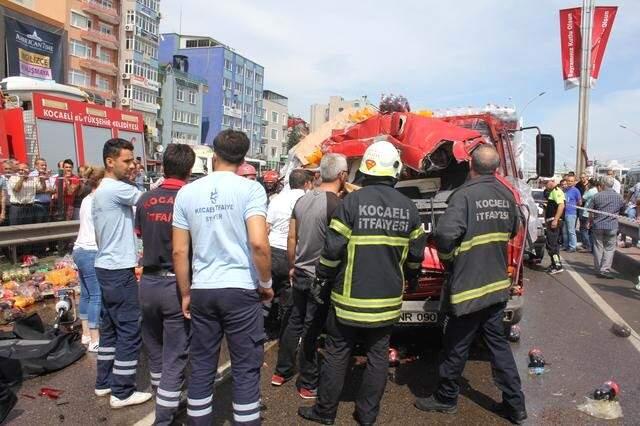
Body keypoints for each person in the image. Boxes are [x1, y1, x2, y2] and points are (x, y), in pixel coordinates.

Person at [298, 141, 426, 426]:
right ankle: (367, 415)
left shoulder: (350, 203)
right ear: (395, 170)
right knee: (378, 356)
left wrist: (323, 279)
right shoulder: (409, 208)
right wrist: (412, 276)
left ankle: (325, 412)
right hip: (387, 302)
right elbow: (416, 255)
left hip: (347, 301)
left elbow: (332, 252)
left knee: (337, 353)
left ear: (366, 169)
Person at [414, 145, 526, 425]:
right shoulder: (505, 194)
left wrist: (450, 260)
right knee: (498, 347)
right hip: (496, 286)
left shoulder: (463, 195)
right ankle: (516, 406)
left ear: (471, 167)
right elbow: (514, 228)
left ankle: (446, 399)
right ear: (496, 169)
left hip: (468, 288)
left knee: (455, 345)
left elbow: (444, 236)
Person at [172, 129, 273, 425]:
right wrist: (266, 284)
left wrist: (186, 293)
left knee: (202, 365)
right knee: (245, 367)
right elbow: (258, 242)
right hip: (240, 289)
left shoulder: (187, 192)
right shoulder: (250, 190)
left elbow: (179, 251)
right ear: (243, 160)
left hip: (203, 288)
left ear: (214, 156)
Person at [271, 155, 347, 398]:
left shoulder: (302, 201)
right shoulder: (337, 205)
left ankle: (281, 371)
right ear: (342, 176)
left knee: (294, 321)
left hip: (301, 272)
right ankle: (308, 382)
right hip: (321, 275)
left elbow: (291, 237)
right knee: (313, 329)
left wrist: (293, 265)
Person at [136, 144, 195, 425]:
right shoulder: (190, 199)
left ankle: (163, 397)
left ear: (162, 166)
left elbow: (139, 233)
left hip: (147, 282)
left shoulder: (145, 199)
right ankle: (164, 416)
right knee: (175, 356)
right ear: (190, 169)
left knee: (155, 350)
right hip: (176, 284)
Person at [92, 138, 151, 408]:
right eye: (127, 161)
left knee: (110, 329)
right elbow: (150, 201)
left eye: (133, 160)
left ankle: (104, 383)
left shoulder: (102, 189)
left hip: (105, 266)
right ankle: (122, 391)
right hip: (118, 268)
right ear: (110, 161)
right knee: (129, 328)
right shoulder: (117, 189)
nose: (132, 166)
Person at [264, 169, 312, 331]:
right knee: (287, 295)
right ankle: (281, 330)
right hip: (291, 251)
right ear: (306, 183)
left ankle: (263, 326)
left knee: (267, 291)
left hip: (271, 250)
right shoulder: (305, 199)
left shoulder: (277, 199)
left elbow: (267, 227)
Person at [72, 167, 105, 353]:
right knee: (96, 295)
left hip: (79, 249)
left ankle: (85, 333)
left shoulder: (86, 199)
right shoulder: (98, 201)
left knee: (85, 293)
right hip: (92, 250)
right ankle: (95, 338)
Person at [590, 176, 625, 279]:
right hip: (612, 226)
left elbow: (590, 210)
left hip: (598, 225)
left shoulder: (596, 196)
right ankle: (605, 270)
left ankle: (598, 269)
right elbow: (623, 209)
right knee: (609, 248)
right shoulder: (619, 197)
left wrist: (590, 221)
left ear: (603, 184)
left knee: (598, 247)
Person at [543, 178, 565, 274]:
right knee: (552, 244)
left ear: (551, 182)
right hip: (551, 221)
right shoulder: (552, 192)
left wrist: (555, 220)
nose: (544, 185)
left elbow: (561, 206)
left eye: (545, 183)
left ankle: (557, 265)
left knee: (552, 245)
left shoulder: (556, 191)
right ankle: (554, 263)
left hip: (554, 221)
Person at [30, 158, 55, 224]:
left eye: (45, 165)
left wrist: (47, 190)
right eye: (42, 165)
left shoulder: (48, 175)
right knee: (39, 225)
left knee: (46, 225)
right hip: (37, 205)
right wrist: (45, 190)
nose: (44, 167)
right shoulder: (32, 175)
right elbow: (32, 190)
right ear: (36, 166)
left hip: (48, 205)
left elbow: (53, 189)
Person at [562, 175, 581, 252]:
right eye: (568, 181)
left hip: (571, 213)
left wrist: (573, 205)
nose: (569, 182)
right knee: (564, 231)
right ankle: (566, 245)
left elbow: (579, 202)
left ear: (574, 182)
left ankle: (572, 247)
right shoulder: (565, 190)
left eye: (571, 181)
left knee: (571, 231)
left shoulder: (576, 190)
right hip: (564, 213)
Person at [578, 178, 598, 253]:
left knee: (583, 229)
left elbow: (582, 199)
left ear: (590, 184)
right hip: (592, 213)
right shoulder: (597, 191)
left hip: (586, 212)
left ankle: (587, 245)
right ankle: (589, 245)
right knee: (590, 230)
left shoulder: (590, 191)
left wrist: (586, 189)